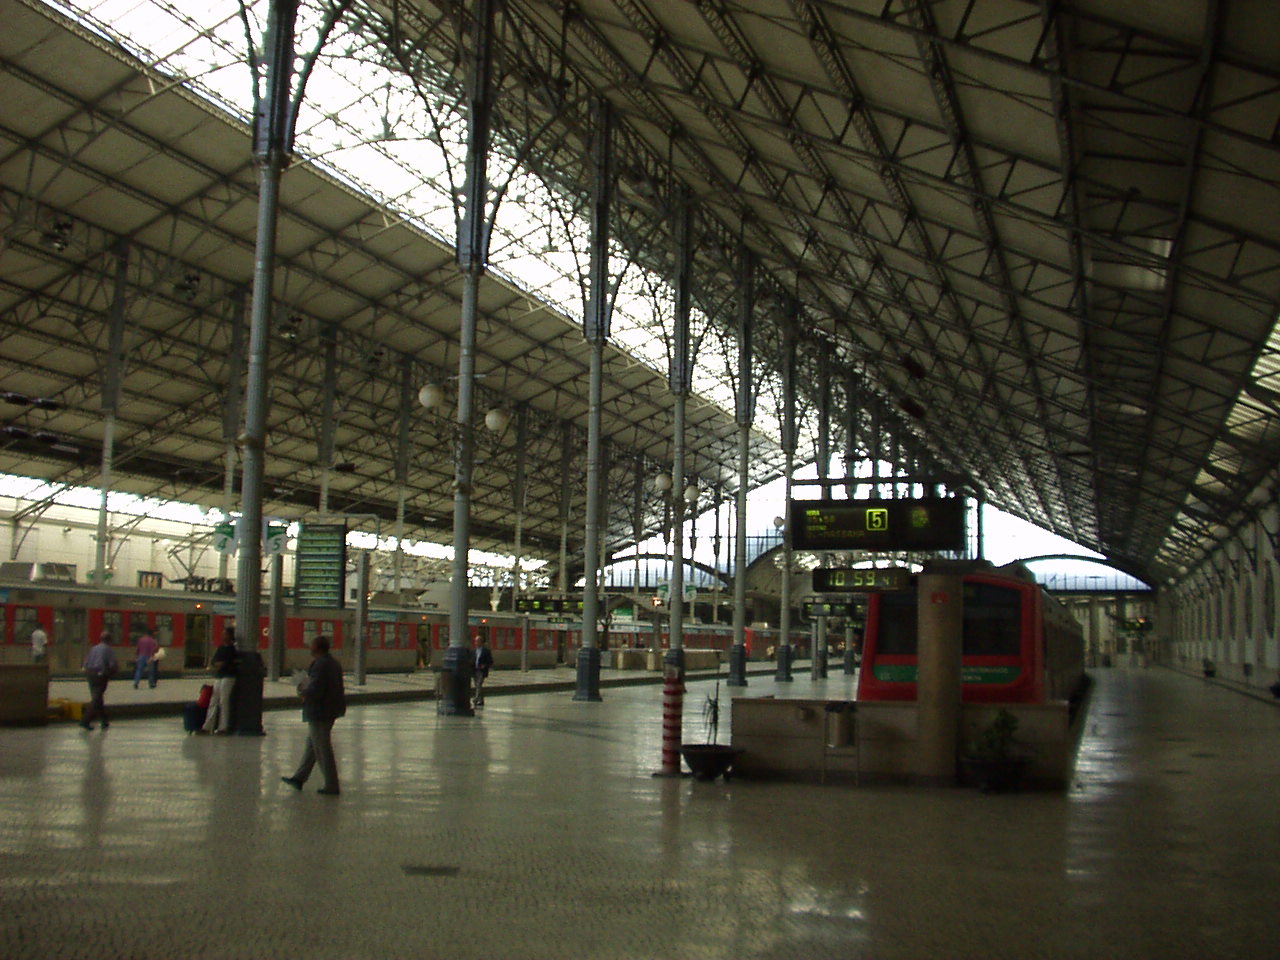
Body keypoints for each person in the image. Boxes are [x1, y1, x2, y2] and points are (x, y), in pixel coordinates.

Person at [281, 635, 346, 796]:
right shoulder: (332, 663)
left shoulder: (321, 664)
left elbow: (316, 690)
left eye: (311, 645)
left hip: (320, 711)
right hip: (330, 709)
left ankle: (332, 785)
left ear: (317, 648)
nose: (309, 647)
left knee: (322, 748)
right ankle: (299, 778)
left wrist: (303, 691)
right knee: (312, 746)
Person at [202, 628, 239, 734]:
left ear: (230, 636)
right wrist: (217, 664)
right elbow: (214, 661)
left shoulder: (233, 649)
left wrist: (219, 664)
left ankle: (223, 726)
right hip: (220, 676)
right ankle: (208, 726)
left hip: (228, 676)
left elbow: (226, 662)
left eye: (225, 634)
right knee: (214, 700)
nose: (223, 636)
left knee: (224, 700)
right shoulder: (221, 648)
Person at [81, 631, 118, 730]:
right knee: (96, 698)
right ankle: (86, 720)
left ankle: (104, 720)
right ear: (109, 640)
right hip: (100, 675)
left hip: (90, 674)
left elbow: (86, 662)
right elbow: (112, 664)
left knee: (98, 697)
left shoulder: (94, 648)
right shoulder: (108, 650)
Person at [473, 635, 493, 707]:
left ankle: (476, 698)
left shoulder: (486, 651)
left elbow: (490, 661)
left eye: (477, 641)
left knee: (478, 684)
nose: (475, 643)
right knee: (478, 685)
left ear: (481, 642)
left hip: (482, 671)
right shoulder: (474, 651)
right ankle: (481, 700)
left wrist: (485, 665)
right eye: (475, 641)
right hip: (475, 670)